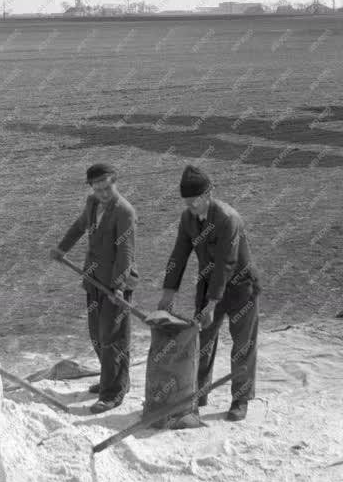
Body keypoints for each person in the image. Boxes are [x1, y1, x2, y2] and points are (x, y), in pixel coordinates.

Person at [158, 165, 261, 422]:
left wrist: (212, 303)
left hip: (240, 288)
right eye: (187, 201)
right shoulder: (187, 219)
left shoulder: (228, 218)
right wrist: (168, 292)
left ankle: (241, 399)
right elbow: (179, 254)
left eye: (195, 200)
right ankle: (197, 392)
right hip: (208, 287)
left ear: (209, 193)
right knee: (202, 341)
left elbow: (226, 262)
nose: (191, 206)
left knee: (242, 345)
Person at [50, 163, 138, 413]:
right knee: (97, 335)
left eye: (107, 187)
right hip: (93, 279)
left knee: (113, 338)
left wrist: (119, 287)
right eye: (98, 188)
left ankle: (113, 393)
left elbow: (126, 253)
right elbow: (80, 227)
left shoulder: (125, 212)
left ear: (114, 182)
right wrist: (62, 248)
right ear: (91, 188)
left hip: (115, 283)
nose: (103, 192)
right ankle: (116, 379)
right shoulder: (92, 203)